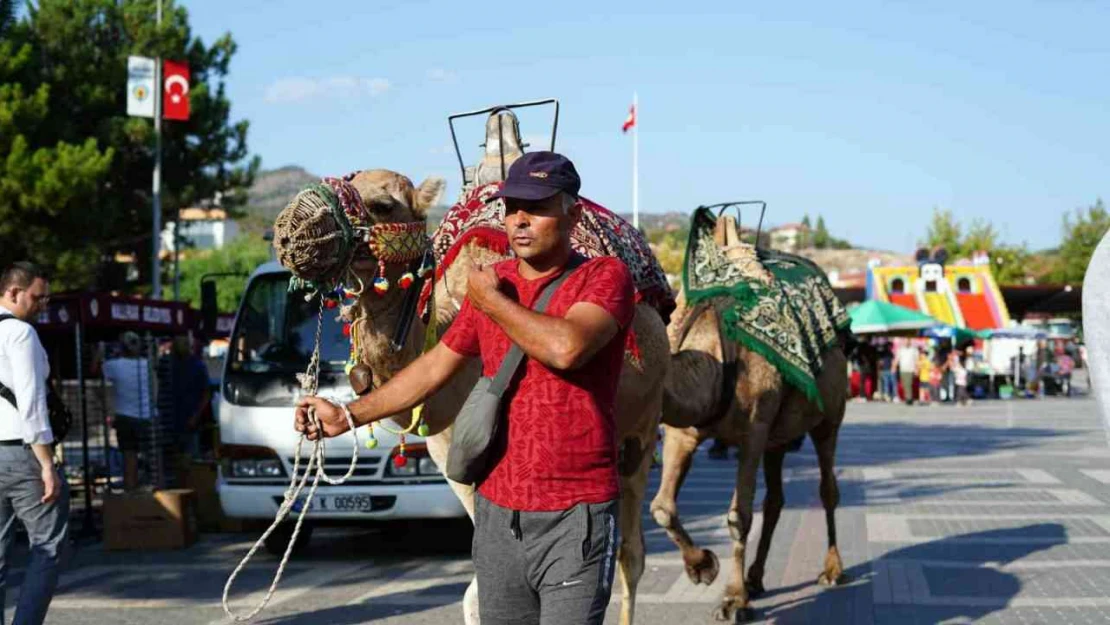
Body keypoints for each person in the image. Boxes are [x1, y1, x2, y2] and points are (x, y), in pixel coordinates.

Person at [296, 152, 629, 624]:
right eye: (512, 207)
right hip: (497, 515)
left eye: (536, 207)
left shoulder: (601, 278)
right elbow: (433, 368)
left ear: (573, 213)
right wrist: (350, 414)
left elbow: (566, 347)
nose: (519, 220)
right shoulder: (495, 284)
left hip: (576, 515)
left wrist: (491, 302)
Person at [0, 262, 69, 625]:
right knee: (49, 546)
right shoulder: (20, 333)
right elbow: (31, 402)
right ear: (13, 292)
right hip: (22, 453)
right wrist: (46, 465)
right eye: (37, 297)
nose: (43, 304)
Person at [97, 331, 154, 491]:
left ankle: (131, 491)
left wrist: (99, 351)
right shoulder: (147, 364)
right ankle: (153, 490)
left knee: (130, 456)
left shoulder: (114, 365)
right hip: (148, 416)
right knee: (153, 457)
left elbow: (95, 370)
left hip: (125, 418)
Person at [895, 338, 919, 405]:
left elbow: (916, 360)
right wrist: (894, 366)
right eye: (905, 341)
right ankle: (907, 397)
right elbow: (897, 358)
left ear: (910, 342)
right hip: (902, 369)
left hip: (910, 369)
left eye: (908, 341)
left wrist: (916, 369)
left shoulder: (914, 350)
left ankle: (909, 398)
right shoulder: (900, 350)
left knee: (908, 384)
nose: (907, 342)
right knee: (904, 385)